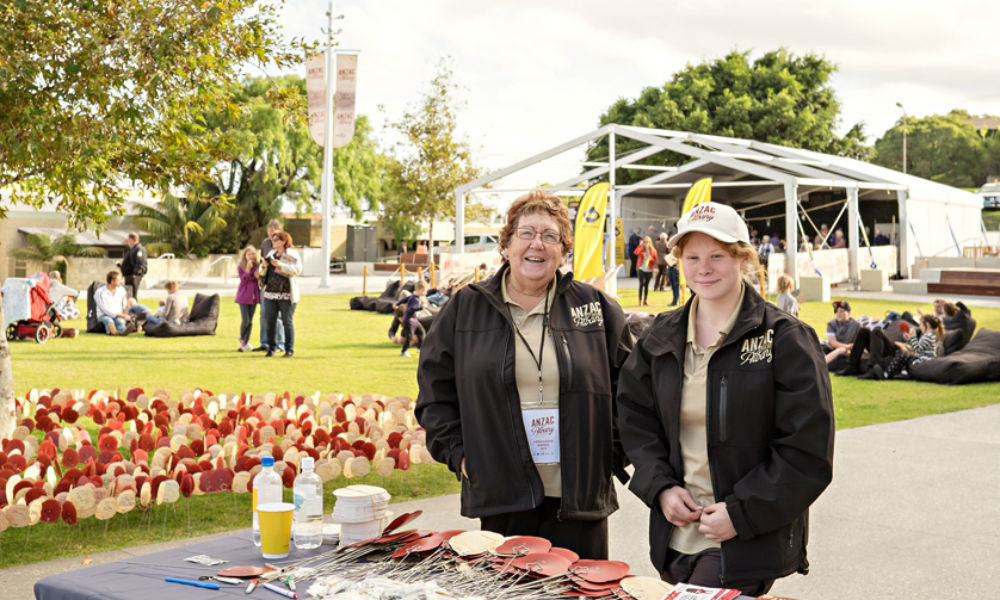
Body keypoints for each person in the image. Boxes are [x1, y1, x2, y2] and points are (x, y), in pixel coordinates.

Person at [616, 201, 834, 595]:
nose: (704, 268)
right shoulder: (660, 335)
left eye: (717, 256)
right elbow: (634, 419)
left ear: (743, 259)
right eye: (693, 256)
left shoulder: (785, 338)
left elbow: (807, 451)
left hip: (744, 541)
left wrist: (742, 513)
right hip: (676, 537)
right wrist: (661, 488)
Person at [415, 190, 634, 560]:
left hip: (579, 497)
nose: (538, 244)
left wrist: (608, 457)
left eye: (551, 236)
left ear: (564, 251)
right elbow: (435, 395)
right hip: (503, 494)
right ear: (506, 245)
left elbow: (633, 393)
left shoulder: (595, 308)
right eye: (526, 233)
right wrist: (464, 459)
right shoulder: (466, 309)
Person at [859, 314, 944, 380]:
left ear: (927, 325)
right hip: (913, 353)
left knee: (901, 354)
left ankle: (886, 374)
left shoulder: (931, 338)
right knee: (900, 352)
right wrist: (908, 340)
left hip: (917, 356)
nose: (919, 326)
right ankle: (901, 372)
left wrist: (912, 338)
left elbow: (919, 349)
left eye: (921, 324)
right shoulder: (927, 336)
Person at [260, 231, 302, 358]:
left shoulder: (290, 254)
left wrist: (281, 265)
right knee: (269, 321)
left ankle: (289, 350)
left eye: (276, 239)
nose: (273, 241)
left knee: (287, 322)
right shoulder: (271, 254)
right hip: (270, 293)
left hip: (286, 294)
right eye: (272, 239)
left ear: (283, 241)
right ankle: (271, 348)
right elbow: (262, 272)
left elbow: (297, 271)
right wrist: (263, 266)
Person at [255, 219, 285, 353]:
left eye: (273, 231)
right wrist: (261, 277)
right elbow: (262, 263)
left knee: (277, 315)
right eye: (269, 230)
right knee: (263, 313)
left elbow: (290, 265)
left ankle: (280, 344)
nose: (270, 233)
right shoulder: (265, 243)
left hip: (279, 284)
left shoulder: (285, 244)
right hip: (266, 283)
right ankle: (265, 342)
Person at [236, 245, 261, 352]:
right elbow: (243, 280)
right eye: (249, 254)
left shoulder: (258, 266)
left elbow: (259, 281)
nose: (251, 256)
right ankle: (242, 337)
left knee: (250, 321)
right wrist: (247, 270)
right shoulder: (241, 266)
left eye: (253, 254)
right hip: (243, 295)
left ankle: (245, 342)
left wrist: (258, 277)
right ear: (245, 256)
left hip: (254, 296)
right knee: (245, 320)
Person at [94, 271, 134, 336]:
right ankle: (112, 332)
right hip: (104, 315)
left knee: (120, 322)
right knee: (109, 321)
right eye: (119, 280)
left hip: (119, 315)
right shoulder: (100, 292)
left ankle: (123, 332)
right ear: (112, 281)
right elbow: (104, 309)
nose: (121, 282)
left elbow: (124, 305)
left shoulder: (121, 290)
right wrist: (119, 315)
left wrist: (124, 314)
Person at [821, 300, 860, 366]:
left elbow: (857, 342)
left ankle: (822, 364)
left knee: (842, 350)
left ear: (849, 313)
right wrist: (847, 346)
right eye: (837, 311)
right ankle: (820, 363)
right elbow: (833, 342)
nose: (838, 314)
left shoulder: (856, 325)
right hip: (832, 348)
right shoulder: (831, 323)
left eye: (841, 311)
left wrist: (848, 347)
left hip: (848, 351)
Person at [397, 280, 427, 358]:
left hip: (414, 320)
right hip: (409, 321)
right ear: (418, 290)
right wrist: (421, 307)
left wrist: (397, 303)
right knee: (410, 337)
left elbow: (405, 299)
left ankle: (420, 348)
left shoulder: (414, 297)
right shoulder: (415, 299)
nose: (425, 293)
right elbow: (410, 309)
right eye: (424, 291)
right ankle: (403, 351)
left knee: (422, 332)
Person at [120, 232, 148, 299]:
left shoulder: (139, 249)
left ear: (132, 240)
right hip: (129, 275)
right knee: (128, 293)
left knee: (133, 294)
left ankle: (134, 308)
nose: (128, 241)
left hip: (134, 275)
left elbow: (140, 262)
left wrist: (136, 273)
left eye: (129, 239)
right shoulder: (132, 249)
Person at [634, 236, 657, 306]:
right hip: (641, 269)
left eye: (648, 242)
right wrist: (640, 245)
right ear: (643, 243)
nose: (646, 243)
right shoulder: (641, 249)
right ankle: (640, 300)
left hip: (649, 270)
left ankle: (645, 300)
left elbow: (655, 261)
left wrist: (651, 259)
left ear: (650, 243)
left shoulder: (653, 250)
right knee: (641, 284)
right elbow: (635, 252)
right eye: (645, 242)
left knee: (646, 285)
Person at [665, 236, 680, 306]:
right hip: (670, 267)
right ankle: (674, 300)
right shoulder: (671, 249)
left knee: (676, 285)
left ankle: (676, 300)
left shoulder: (678, 248)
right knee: (673, 285)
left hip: (676, 268)